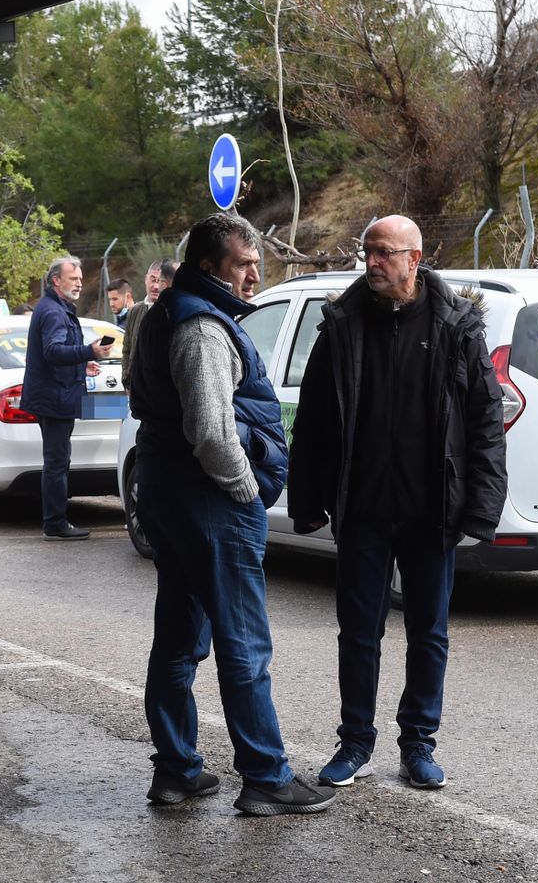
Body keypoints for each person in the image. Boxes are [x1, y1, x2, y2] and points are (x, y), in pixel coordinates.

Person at [288, 215, 507, 792]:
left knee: (429, 632)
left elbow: (485, 422)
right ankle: (355, 743)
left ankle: (418, 745)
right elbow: (312, 421)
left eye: (384, 252)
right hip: (362, 508)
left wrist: (481, 508)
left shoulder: (456, 326)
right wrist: (307, 501)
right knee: (358, 631)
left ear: (415, 258)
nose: (372, 262)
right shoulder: (342, 324)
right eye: (367, 251)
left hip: (430, 510)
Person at [131, 213, 334, 816]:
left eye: (257, 262)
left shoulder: (170, 312)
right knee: (243, 642)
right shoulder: (202, 328)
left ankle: (176, 771)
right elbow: (212, 433)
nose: (255, 275)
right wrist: (246, 493)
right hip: (209, 501)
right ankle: (266, 777)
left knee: (178, 637)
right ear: (207, 266)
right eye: (244, 264)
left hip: (171, 493)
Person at [21, 256, 112, 541]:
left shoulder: (56, 308)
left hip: (59, 395)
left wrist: (81, 364)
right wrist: (88, 352)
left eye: (81, 278)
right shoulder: (53, 311)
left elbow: (54, 354)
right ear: (56, 281)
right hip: (54, 399)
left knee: (58, 461)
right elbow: (52, 351)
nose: (80, 283)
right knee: (57, 463)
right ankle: (55, 523)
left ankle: (55, 521)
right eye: (74, 278)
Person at [121, 259, 176, 407]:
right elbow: (127, 349)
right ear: (145, 279)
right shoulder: (135, 311)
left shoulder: (172, 310)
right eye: (152, 280)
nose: (155, 286)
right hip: (138, 391)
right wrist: (127, 381)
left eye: (159, 281)